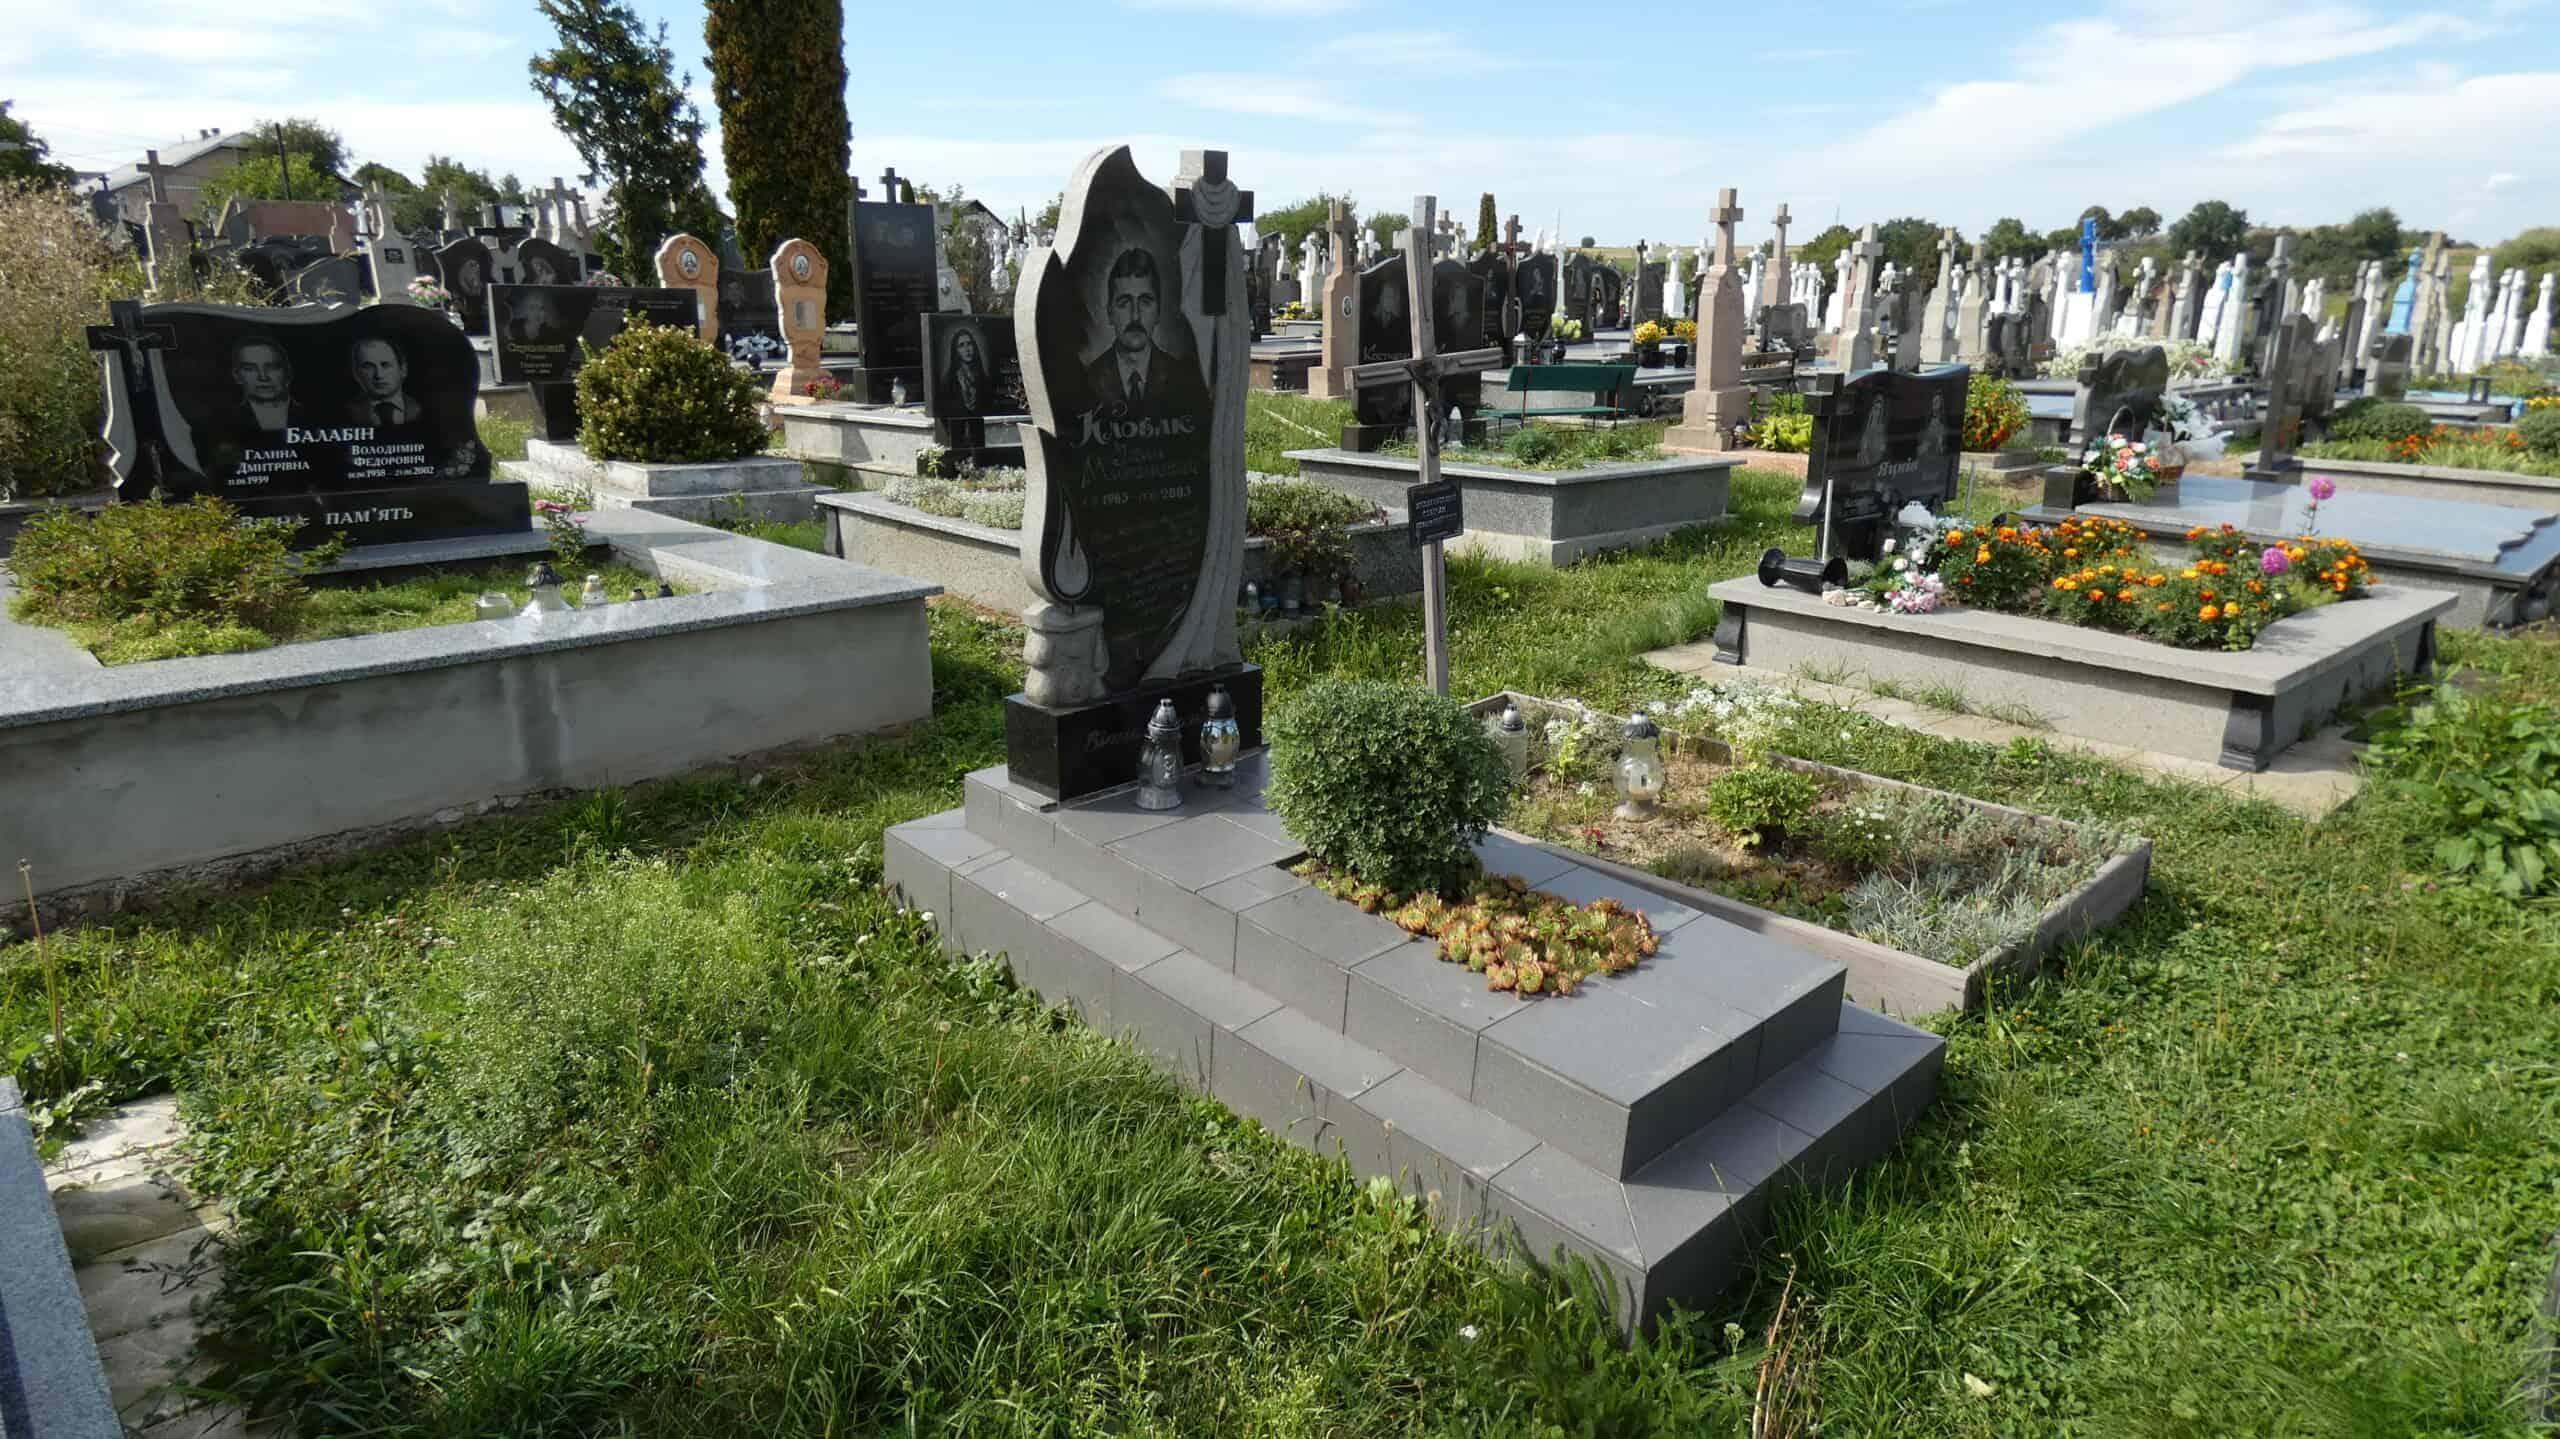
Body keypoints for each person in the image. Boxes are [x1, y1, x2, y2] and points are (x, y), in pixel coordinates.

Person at [1080, 247, 1207, 418]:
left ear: (1158, 312)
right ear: (1110, 313)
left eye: (1145, 302)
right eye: (1124, 302)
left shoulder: (1183, 380)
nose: (1135, 316)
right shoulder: (1087, 381)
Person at [940, 325, 993, 415]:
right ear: (956, 351)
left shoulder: (984, 378)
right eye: (961, 345)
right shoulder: (949, 380)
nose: (967, 349)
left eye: (969, 344)